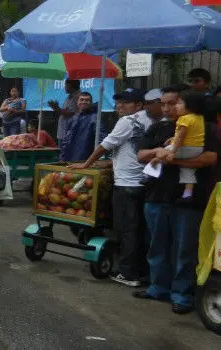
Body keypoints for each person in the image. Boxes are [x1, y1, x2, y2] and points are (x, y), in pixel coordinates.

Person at [134, 83, 218, 315]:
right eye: (164, 104)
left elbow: (210, 158)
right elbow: (141, 154)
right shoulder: (157, 128)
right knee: (156, 246)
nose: (168, 108)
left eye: (174, 103)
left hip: (189, 201)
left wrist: (171, 159)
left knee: (184, 250)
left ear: (186, 103)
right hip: (157, 196)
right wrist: (157, 153)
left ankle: (181, 295)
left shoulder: (204, 127)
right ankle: (157, 287)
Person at [70, 88, 153, 287]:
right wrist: (110, 163)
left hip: (126, 184)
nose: (120, 106)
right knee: (140, 229)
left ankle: (128, 273)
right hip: (144, 183)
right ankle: (142, 270)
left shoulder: (127, 121)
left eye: (126, 102)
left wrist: (86, 164)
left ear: (139, 105)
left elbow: (105, 145)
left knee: (126, 230)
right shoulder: (151, 119)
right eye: (118, 102)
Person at [149, 91, 206, 201]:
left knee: (161, 153)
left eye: (179, 104)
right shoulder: (199, 118)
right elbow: (190, 134)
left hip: (184, 148)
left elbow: (180, 137)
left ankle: (149, 171)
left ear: (190, 106)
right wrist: (172, 139)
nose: (176, 106)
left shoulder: (184, 119)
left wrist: (172, 152)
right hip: (197, 149)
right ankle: (188, 192)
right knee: (188, 169)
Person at [60, 92, 103, 162]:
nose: (84, 102)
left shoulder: (95, 119)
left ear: (91, 103)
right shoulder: (72, 119)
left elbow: (101, 140)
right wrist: (62, 157)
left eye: (87, 100)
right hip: (68, 160)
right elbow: (65, 140)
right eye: (82, 100)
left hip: (86, 161)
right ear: (77, 102)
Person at [48, 80, 81, 147]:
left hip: (69, 131)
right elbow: (65, 110)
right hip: (63, 130)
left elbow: (70, 113)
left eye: (66, 85)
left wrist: (57, 108)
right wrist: (56, 108)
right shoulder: (70, 96)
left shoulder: (77, 97)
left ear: (71, 85)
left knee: (65, 153)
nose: (64, 87)